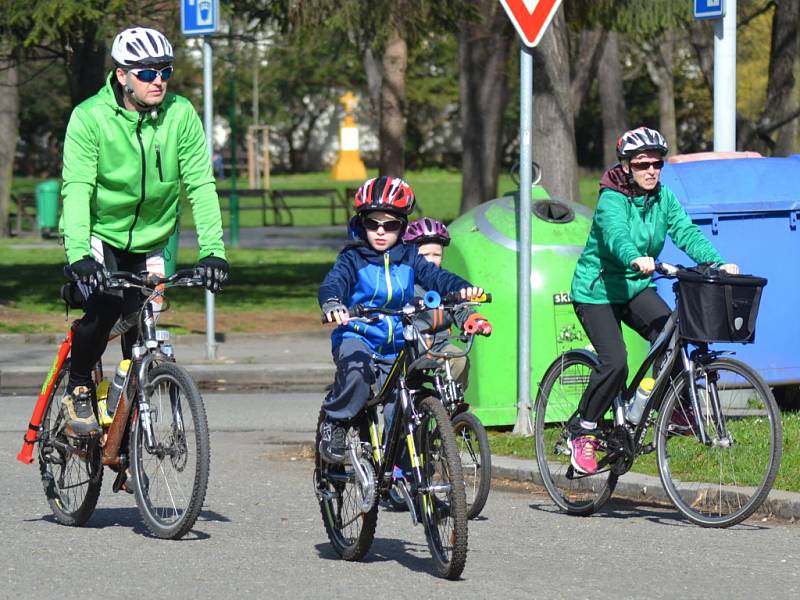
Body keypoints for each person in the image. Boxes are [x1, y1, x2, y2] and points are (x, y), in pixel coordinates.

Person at [59, 27, 229, 437]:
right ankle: (79, 384)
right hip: (101, 233)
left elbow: (200, 184)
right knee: (104, 306)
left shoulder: (180, 114)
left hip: (154, 236)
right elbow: (78, 188)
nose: (159, 81)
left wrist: (213, 252)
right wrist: (80, 254)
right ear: (122, 75)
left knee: (143, 323)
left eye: (165, 71)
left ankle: (129, 426)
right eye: (147, 73)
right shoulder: (90, 117)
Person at [568, 126, 739, 475]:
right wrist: (633, 256)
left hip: (634, 286)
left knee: (673, 334)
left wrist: (717, 262)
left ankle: (669, 409)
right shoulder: (611, 199)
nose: (650, 171)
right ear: (627, 166)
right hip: (597, 290)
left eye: (657, 164)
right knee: (616, 361)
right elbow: (615, 234)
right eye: (642, 164)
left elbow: (685, 231)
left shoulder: (663, 198)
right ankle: (582, 430)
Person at [318, 176, 484, 464]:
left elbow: (436, 277)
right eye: (373, 223)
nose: (381, 231)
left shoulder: (409, 256)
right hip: (357, 335)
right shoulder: (352, 257)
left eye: (390, 224)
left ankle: (401, 474)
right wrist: (333, 303)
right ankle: (336, 422)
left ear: (402, 226)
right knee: (356, 376)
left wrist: (460, 289)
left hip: (397, 342)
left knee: (404, 408)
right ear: (362, 222)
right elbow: (334, 283)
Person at [402, 217, 492, 390]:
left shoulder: (444, 282)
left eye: (436, 255)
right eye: (424, 255)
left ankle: (450, 406)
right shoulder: (405, 284)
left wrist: (472, 318)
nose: (431, 260)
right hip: (411, 348)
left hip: (439, 345)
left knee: (459, 360)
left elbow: (459, 308)